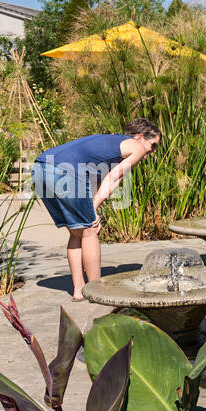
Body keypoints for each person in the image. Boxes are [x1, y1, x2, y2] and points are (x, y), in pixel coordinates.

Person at [29, 119, 162, 300]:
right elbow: (114, 178)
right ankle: (97, 290)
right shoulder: (136, 147)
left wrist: (91, 209)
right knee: (90, 231)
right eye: (153, 145)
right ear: (140, 137)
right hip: (64, 172)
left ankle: (79, 290)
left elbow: (97, 182)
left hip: (40, 169)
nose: (152, 151)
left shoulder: (111, 144)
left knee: (78, 231)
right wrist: (92, 208)